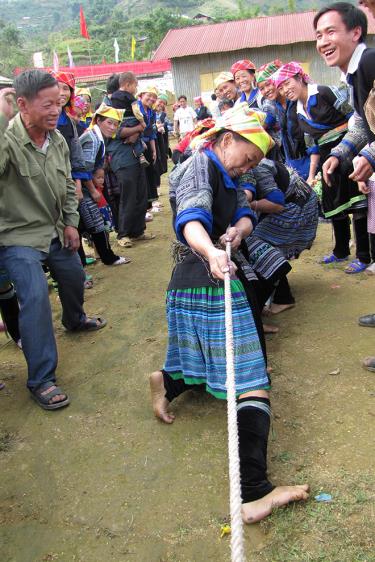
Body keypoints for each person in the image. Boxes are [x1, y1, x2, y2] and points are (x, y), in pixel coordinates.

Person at [150, 103, 309, 523]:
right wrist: (211, 253)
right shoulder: (199, 166)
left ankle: (166, 381)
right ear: (225, 141)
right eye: (249, 157)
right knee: (252, 379)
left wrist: (239, 229)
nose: (249, 167)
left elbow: (242, 212)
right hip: (205, 277)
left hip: (190, 281)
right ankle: (254, 491)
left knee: (211, 358)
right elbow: (191, 219)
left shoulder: (224, 171)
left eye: (257, 162)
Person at [0, 70, 107, 410]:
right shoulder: (7, 140)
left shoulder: (57, 140)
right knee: (35, 297)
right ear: (21, 105)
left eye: (58, 104)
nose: (55, 112)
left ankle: (74, 320)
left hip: (54, 228)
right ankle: (42, 378)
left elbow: (65, 188)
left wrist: (71, 223)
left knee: (75, 275)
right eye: (47, 105)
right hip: (17, 236)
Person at [273, 60, 370, 273]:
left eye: (288, 83)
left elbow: (354, 115)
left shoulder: (325, 92)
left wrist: (354, 149)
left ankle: (364, 255)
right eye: (280, 88)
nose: (285, 90)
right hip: (327, 160)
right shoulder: (298, 112)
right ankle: (340, 251)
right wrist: (311, 175)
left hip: (349, 151)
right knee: (334, 205)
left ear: (300, 77)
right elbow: (312, 147)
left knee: (358, 205)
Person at [314, 3, 375, 332]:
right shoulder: (354, 74)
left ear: (356, 32)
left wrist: (371, 155)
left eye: (330, 31)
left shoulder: (369, 61)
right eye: (318, 35)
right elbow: (362, 123)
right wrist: (340, 152)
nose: (323, 41)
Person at [79, 103, 131, 266]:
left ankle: (104, 256)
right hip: (83, 189)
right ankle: (107, 257)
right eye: (109, 123)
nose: (113, 127)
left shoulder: (97, 138)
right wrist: (94, 190)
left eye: (116, 124)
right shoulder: (93, 139)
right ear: (98, 121)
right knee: (96, 224)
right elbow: (83, 168)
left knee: (93, 224)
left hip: (86, 187)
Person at [106, 95, 154, 248]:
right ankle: (123, 234)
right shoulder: (110, 111)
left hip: (136, 158)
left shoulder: (136, 111)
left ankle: (138, 231)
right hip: (122, 159)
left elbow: (144, 128)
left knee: (141, 195)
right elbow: (117, 132)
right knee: (128, 196)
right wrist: (138, 129)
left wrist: (136, 132)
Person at [110, 71, 149, 167]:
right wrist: (142, 121)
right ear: (127, 85)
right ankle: (140, 153)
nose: (136, 89)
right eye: (135, 86)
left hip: (120, 121)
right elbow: (136, 112)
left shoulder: (113, 96)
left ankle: (137, 146)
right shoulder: (130, 97)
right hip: (131, 119)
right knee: (138, 130)